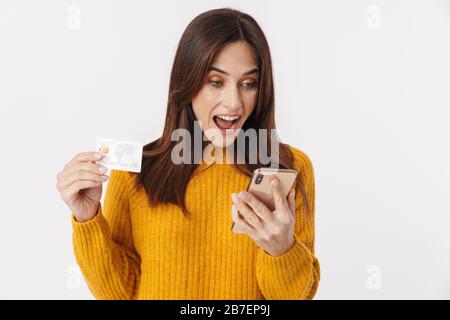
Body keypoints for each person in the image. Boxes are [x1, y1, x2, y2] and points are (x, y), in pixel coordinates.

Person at [56, 7, 320, 300]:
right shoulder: (135, 173)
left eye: (248, 84)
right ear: (188, 82)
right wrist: (87, 218)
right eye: (215, 82)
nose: (234, 103)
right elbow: (120, 294)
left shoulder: (289, 168)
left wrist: (282, 249)